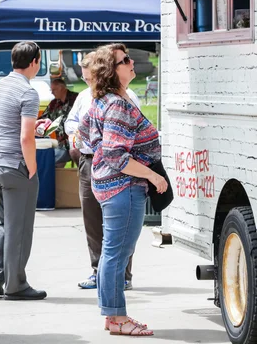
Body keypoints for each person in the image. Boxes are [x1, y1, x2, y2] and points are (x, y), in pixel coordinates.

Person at [78, 43, 167, 336]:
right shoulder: (117, 104)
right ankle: (117, 318)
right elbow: (116, 154)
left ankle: (112, 314)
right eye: (124, 60)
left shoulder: (102, 100)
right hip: (123, 188)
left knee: (111, 254)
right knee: (117, 255)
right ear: (110, 71)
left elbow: (88, 140)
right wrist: (152, 176)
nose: (132, 62)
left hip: (108, 186)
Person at [65, 52, 141, 292]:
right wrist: (75, 133)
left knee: (119, 223)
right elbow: (71, 122)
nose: (88, 83)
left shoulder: (126, 98)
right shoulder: (83, 97)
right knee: (92, 220)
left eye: (90, 78)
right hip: (88, 162)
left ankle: (123, 274)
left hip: (117, 165)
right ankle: (98, 270)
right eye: (85, 79)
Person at [0, 41, 46, 301]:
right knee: (19, 228)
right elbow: (25, 137)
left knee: (4, 223)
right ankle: (16, 284)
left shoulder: (0, 87)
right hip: (15, 165)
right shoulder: (28, 92)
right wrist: (32, 167)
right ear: (34, 62)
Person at [36, 78, 79, 167]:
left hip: (76, 144)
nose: (52, 92)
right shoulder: (54, 103)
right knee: (50, 162)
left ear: (62, 88)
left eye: (54, 90)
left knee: (49, 161)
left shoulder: (76, 99)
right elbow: (43, 119)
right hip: (61, 145)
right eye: (51, 90)